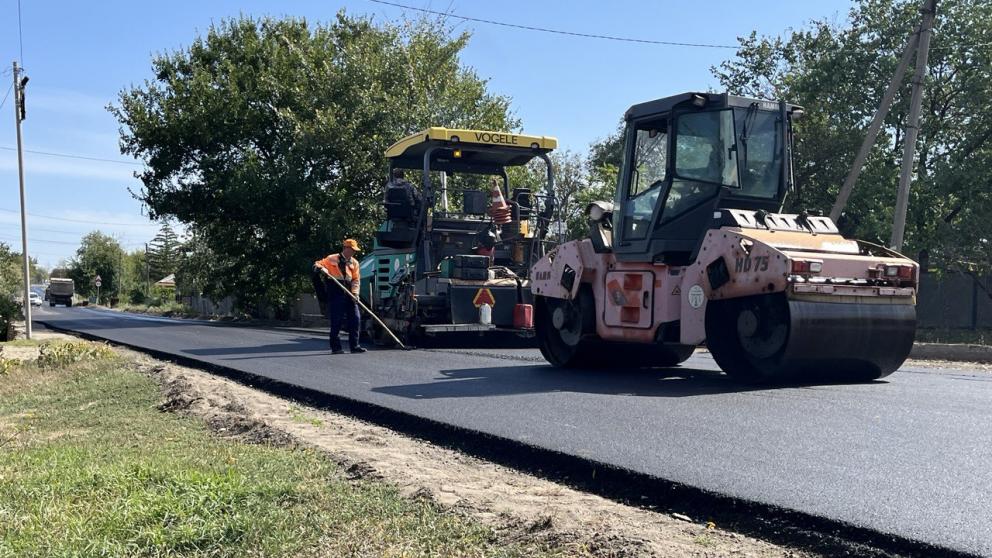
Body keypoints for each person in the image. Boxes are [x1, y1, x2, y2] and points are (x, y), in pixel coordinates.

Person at [313, 239, 366, 355]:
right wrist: (320, 268)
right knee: (337, 320)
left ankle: (355, 346)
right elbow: (318, 264)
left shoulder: (355, 263)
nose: (353, 252)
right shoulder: (332, 258)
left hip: (349, 293)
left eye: (354, 251)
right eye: (352, 250)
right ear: (346, 248)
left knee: (356, 319)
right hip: (335, 291)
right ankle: (336, 348)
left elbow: (356, 280)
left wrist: (355, 294)